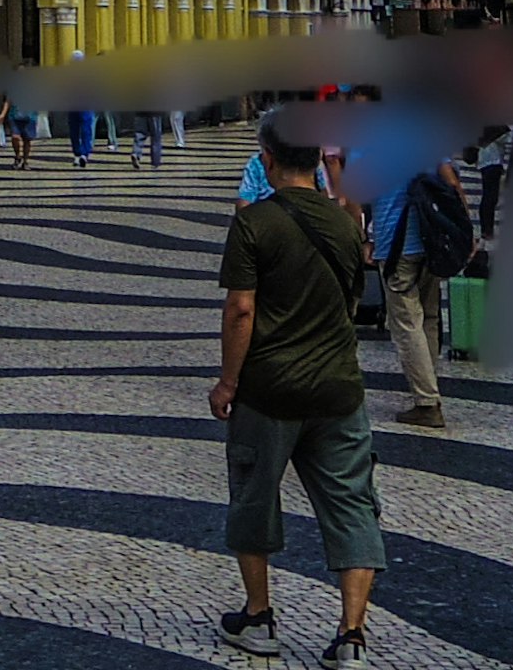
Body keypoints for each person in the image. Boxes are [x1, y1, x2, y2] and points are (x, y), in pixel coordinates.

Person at [210, 123, 381, 668]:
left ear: (266, 157)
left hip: (269, 388)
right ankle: (351, 634)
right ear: (317, 158)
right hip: (339, 388)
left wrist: (228, 381)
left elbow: (241, 309)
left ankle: (258, 617)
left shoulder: (252, 223)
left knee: (255, 496)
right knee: (352, 504)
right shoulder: (347, 222)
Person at [368, 148, 470, 430]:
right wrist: (464, 233)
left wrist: (364, 237)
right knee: (430, 316)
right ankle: (429, 385)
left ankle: (426, 401)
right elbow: (451, 183)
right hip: (431, 240)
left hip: (394, 245)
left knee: (406, 324)